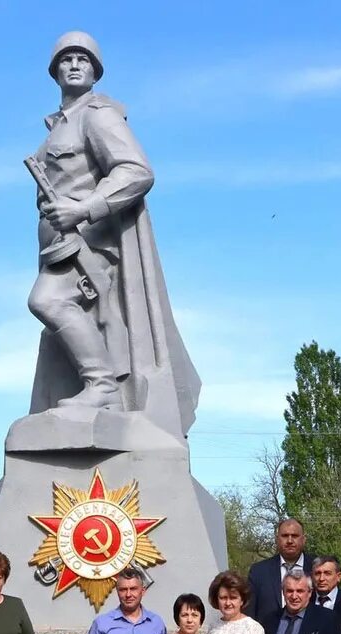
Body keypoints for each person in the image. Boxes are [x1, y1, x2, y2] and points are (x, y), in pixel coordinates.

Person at [26, 31, 199, 441]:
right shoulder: (55, 129)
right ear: (54, 71)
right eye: (65, 58)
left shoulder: (98, 115)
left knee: (46, 300)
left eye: (83, 59)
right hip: (58, 248)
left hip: (92, 244)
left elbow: (136, 171)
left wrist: (84, 209)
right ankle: (98, 386)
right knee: (63, 317)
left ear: (95, 71)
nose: (73, 64)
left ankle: (101, 384)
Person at [245, 519, 313, 622]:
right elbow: (249, 613)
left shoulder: (317, 569)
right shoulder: (259, 571)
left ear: (303, 539)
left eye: (294, 536)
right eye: (285, 536)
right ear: (277, 539)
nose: (290, 541)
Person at [310, 555, 341, 622]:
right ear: (312, 576)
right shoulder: (305, 599)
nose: (321, 578)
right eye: (317, 573)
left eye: (327, 573)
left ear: (338, 577)